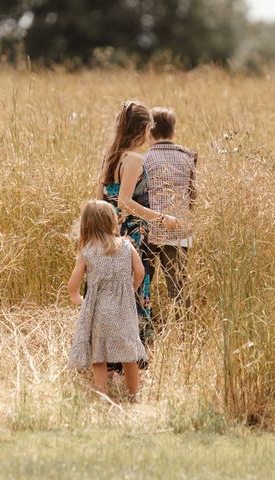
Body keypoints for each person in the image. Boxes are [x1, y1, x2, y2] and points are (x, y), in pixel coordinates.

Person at [96, 100, 179, 359]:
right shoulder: (133, 159)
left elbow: (100, 198)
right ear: (142, 129)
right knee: (134, 287)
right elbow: (125, 202)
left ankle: (110, 349)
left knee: (112, 290)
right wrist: (161, 217)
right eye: (147, 129)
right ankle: (132, 352)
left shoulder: (110, 157)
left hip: (108, 233)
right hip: (131, 235)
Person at [68, 200, 147, 399]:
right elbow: (140, 271)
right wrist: (131, 288)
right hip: (124, 309)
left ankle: (102, 395)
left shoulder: (87, 252)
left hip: (99, 312)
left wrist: (81, 301)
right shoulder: (127, 246)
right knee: (129, 354)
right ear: (112, 221)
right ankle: (133, 394)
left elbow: (73, 286)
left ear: (86, 225)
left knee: (99, 355)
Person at [143, 107, 197, 319]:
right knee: (179, 287)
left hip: (150, 230)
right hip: (180, 231)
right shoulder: (188, 158)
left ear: (149, 132)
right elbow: (193, 195)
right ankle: (184, 331)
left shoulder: (144, 159)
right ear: (173, 132)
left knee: (143, 284)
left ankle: (145, 325)